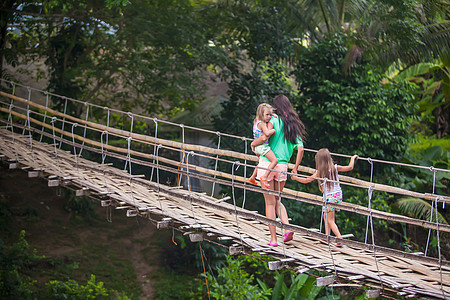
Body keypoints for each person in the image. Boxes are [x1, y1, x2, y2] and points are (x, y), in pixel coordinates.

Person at [251, 95, 307, 247]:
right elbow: (300, 149)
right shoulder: (293, 125)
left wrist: (253, 144)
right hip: (283, 167)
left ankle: (274, 240)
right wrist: (295, 168)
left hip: (267, 164)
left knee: (269, 204)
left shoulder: (271, 121)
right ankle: (287, 227)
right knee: (277, 200)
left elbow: (263, 138)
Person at [291, 149, 358, 247]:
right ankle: (327, 236)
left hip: (329, 197)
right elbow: (350, 167)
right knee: (326, 216)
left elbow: (306, 180)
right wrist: (352, 158)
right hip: (337, 195)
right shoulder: (335, 167)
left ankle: (339, 238)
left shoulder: (320, 172)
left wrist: (295, 177)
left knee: (330, 220)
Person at [248, 103, 278, 189]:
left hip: (258, 146)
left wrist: (271, 114)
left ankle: (253, 177)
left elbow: (264, 114)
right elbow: (267, 133)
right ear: (262, 114)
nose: (269, 117)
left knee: (261, 162)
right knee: (274, 161)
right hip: (262, 146)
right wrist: (273, 130)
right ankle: (265, 177)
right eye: (267, 115)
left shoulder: (256, 121)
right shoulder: (262, 124)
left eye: (270, 115)